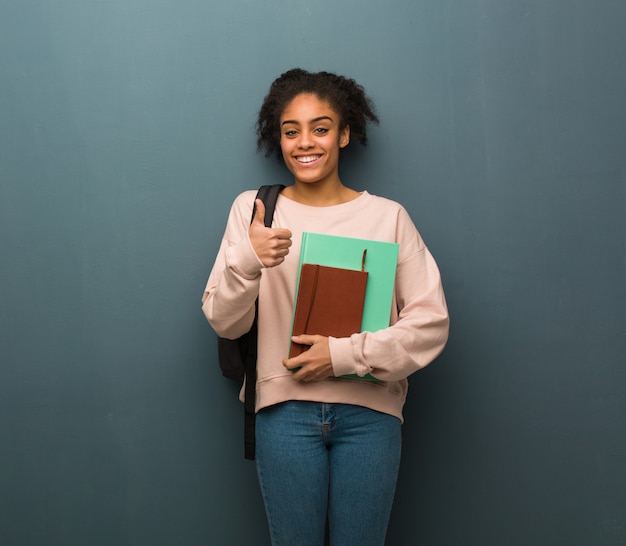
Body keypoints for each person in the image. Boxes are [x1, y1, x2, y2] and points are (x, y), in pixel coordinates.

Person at [202, 68, 449, 546]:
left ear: (344, 133)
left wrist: (342, 356)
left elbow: (431, 323)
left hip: (370, 413)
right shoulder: (254, 211)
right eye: (291, 131)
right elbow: (224, 320)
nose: (304, 142)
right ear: (279, 138)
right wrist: (250, 260)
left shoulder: (387, 217)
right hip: (284, 412)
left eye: (320, 127)